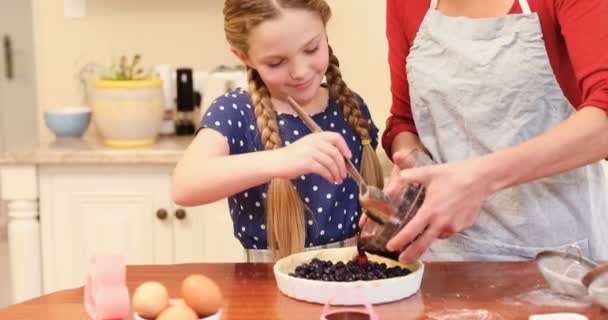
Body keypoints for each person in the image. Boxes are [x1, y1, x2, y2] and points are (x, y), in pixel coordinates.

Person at [381, 0, 608, 263]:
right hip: (447, 260)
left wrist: (480, 179)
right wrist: (414, 167)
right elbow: (404, 120)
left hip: (558, 257)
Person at [172, 0, 384, 262]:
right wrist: (282, 159)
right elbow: (184, 185)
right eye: (276, 62)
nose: (300, 71)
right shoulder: (235, 111)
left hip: (353, 282)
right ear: (243, 56)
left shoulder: (351, 106)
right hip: (267, 288)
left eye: (312, 48)